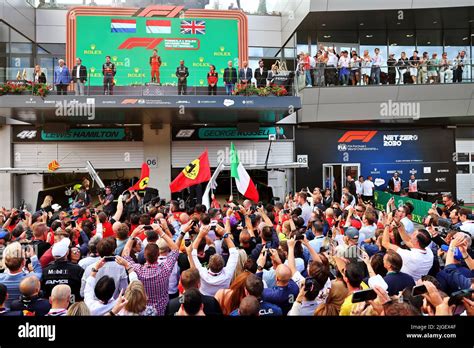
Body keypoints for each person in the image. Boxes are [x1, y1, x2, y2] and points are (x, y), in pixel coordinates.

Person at [122, 224, 179, 315]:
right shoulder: (165, 270)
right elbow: (175, 249)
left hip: (143, 310)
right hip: (162, 310)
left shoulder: (138, 270)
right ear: (158, 255)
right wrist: (161, 232)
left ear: (144, 256)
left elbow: (125, 254)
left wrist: (133, 234)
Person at [186, 225, 239, 296]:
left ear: (209, 265)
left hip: (206, 302)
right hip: (221, 301)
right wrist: (225, 234)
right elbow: (234, 253)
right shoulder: (227, 274)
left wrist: (200, 235)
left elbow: (193, 254)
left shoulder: (202, 273)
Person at [381, 216, 434, 282]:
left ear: (417, 242)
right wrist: (398, 223)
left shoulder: (409, 256)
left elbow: (385, 243)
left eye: (413, 234)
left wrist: (387, 224)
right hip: (415, 282)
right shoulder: (429, 252)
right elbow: (407, 240)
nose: (411, 235)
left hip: (404, 284)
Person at [0, 242, 42, 309]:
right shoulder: (31, 279)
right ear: (23, 262)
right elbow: (39, 272)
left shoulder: (1, 278)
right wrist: (33, 256)